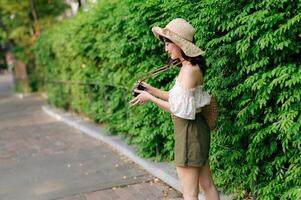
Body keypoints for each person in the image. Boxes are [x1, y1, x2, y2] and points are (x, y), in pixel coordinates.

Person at [130, 18, 220, 200]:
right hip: (196, 131)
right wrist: (149, 89)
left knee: (189, 194)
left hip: (188, 134)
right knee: (207, 185)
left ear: (180, 44)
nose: (166, 49)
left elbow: (179, 110)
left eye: (168, 44)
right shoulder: (190, 67)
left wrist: (149, 98)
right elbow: (177, 99)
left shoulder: (188, 71)